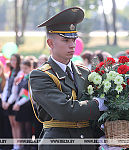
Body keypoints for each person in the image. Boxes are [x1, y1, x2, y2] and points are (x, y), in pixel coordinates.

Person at [29, 7, 103, 150]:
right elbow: (65, 110)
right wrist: (98, 104)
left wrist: (103, 136)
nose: (72, 44)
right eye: (65, 40)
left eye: (74, 39)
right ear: (50, 43)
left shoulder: (85, 72)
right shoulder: (40, 75)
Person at [2, 53, 21, 150]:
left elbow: (15, 91)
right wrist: (4, 101)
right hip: (8, 101)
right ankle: (15, 145)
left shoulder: (20, 73)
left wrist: (8, 102)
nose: (13, 62)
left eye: (15, 60)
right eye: (12, 60)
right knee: (12, 124)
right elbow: (6, 88)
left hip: (14, 102)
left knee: (17, 125)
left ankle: (19, 145)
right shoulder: (11, 72)